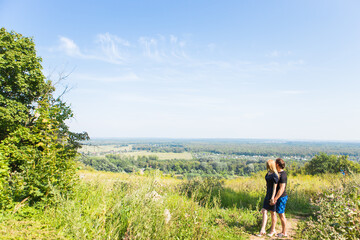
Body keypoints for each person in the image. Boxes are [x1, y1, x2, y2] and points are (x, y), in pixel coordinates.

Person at [258, 159, 279, 237]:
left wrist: (273, 197)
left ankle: (272, 229)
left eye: (267, 164)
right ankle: (262, 229)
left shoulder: (275, 175)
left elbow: (275, 188)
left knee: (273, 212)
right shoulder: (268, 174)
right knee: (264, 211)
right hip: (267, 194)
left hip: (272, 195)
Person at [271, 158, 288, 238]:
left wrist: (275, 198)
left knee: (281, 214)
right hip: (278, 197)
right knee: (278, 213)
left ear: (277, 164)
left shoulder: (283, 175)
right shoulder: (277, 173)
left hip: (281, 197)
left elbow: (282, 189)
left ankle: (284, 232)